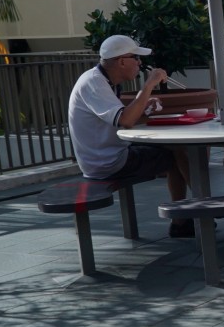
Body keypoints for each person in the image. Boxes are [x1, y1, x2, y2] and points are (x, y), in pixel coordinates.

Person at [67, 35, 193, 238]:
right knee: (177, 154)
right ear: (122, 61)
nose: (140, 63)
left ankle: (187, 215)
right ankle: (197, 208)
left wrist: (144, 107)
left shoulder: (102, 81)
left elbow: (124, 118)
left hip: (107, 156)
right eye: (136, 58)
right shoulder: (94, 83)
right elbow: (125, 120)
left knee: (174, 150)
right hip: (107, 163)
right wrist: (149, 85)